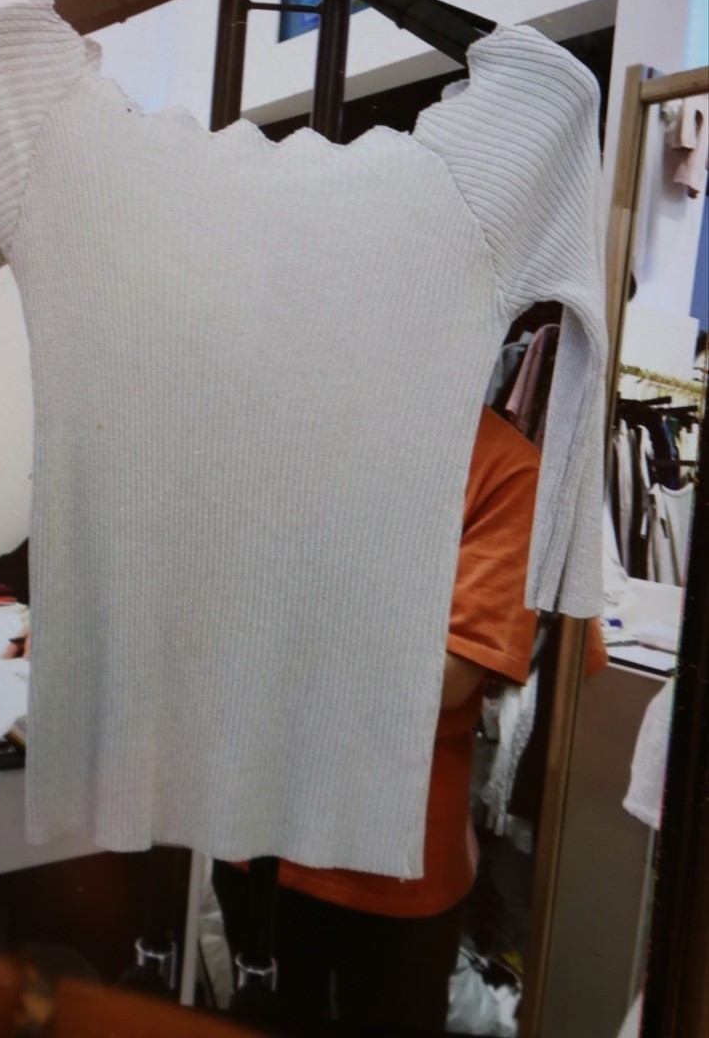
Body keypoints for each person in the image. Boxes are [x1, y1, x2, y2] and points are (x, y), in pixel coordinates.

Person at [212, 405, 606, 1036]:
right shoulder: (299, 424)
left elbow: (445, 679)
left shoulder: (505, 467)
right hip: (260, 830)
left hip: (393, 858)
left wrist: (270, 615)